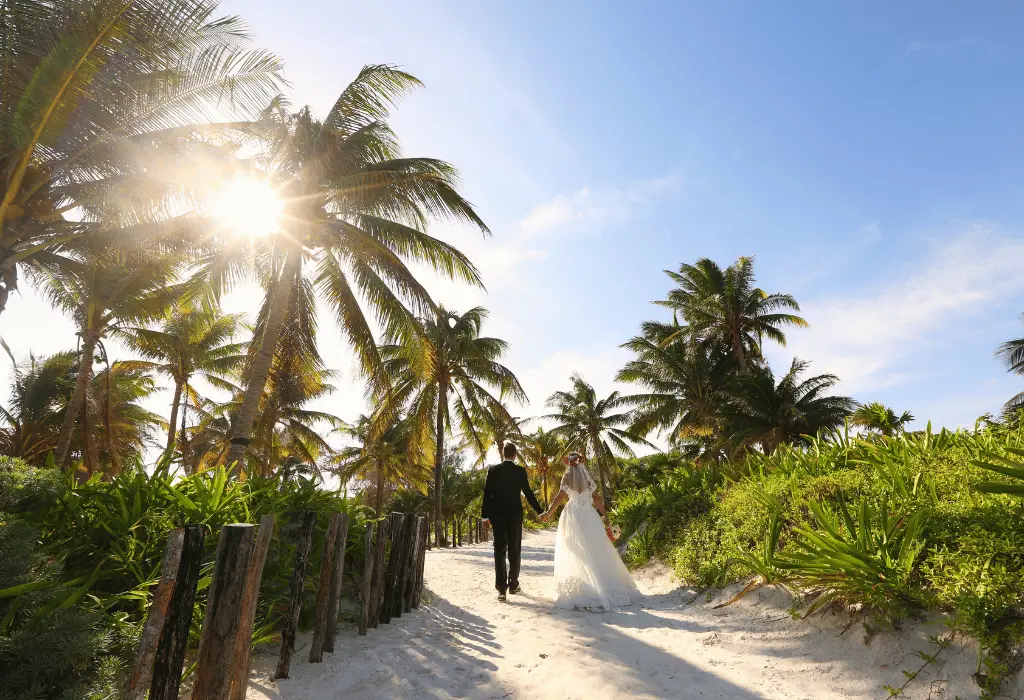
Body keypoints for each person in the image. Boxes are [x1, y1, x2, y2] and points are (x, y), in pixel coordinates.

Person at [540, 452, 640, 610]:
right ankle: (600, 585)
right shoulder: (587, 478)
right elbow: (597, 498)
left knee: (575, 550)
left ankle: (585, 584)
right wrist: (605, 516)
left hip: (572, 515)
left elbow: (559, 498)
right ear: (581, 462)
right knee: (596, 549)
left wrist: (548, 514)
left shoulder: (566, 478)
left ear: (569, 463)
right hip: (588, 514)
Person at [481, 442, 544, 601]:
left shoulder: (493, 470)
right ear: (515, 455)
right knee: (514, 550)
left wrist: (485, 516)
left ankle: (501, 589)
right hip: (515, 516)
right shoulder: (520, 471)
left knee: (499, 551)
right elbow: (528, 494)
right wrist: (540, 511)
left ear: (503, 453)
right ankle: (513, 584)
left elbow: (487, 494)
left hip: (498, 516)